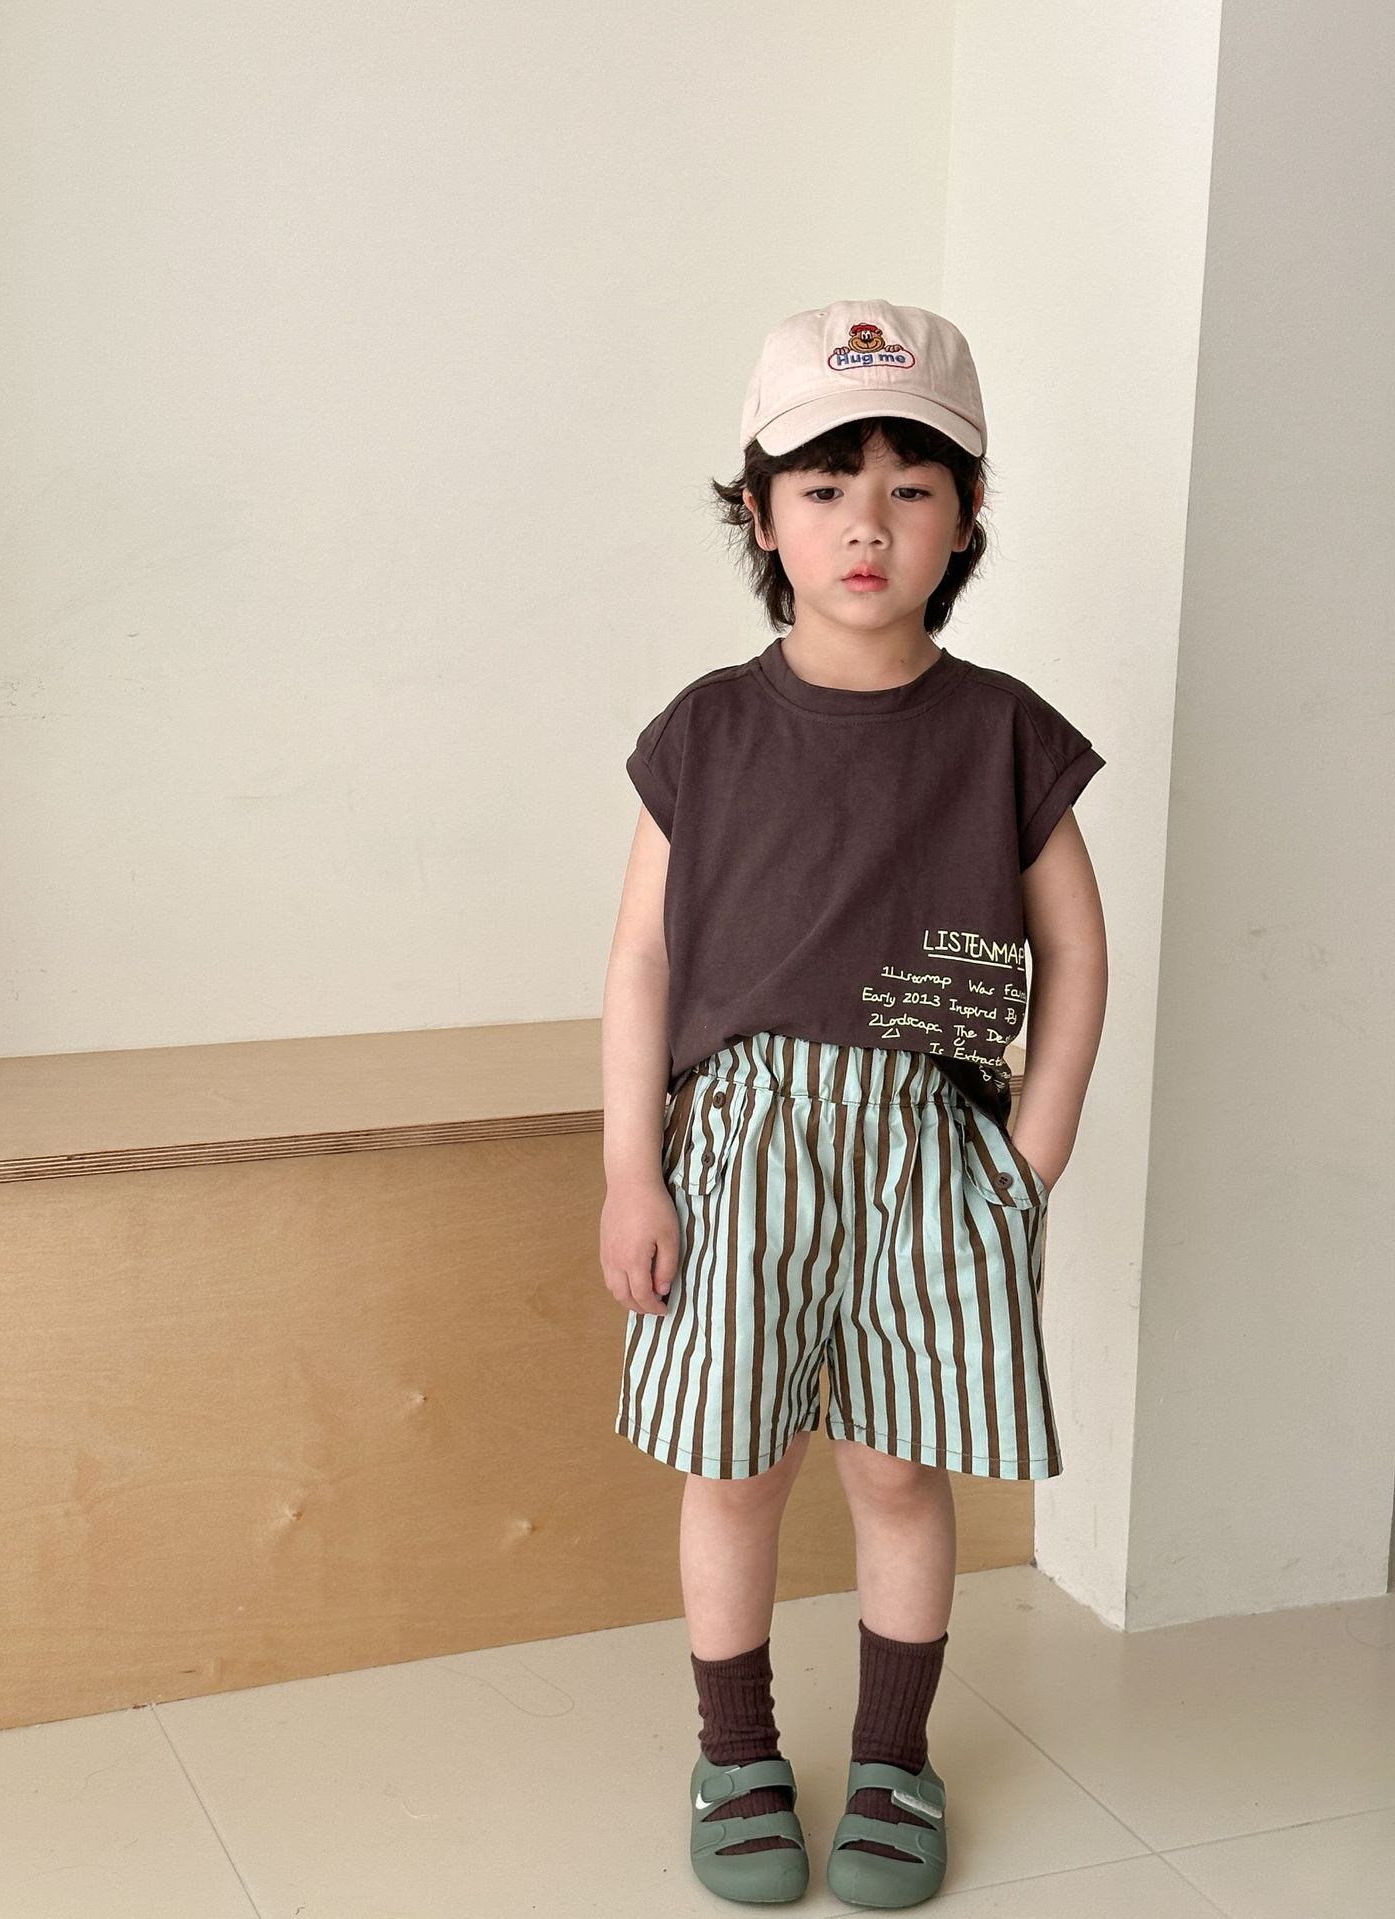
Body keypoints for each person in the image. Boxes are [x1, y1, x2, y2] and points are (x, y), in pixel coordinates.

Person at [599, 299, 1108, 1909]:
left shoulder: (1003, 733)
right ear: (761, 515)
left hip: (932, 1148)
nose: (867, 525)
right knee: (736, 1466)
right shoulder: (707, 731)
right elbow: (640, 963)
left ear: (968, 514)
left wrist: (1029, 1158)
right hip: (744, 1147)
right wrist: (633, 1170)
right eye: (824, 487)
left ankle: (895, 1760)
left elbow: (1078, 952)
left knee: (897, 1468)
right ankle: (736, 1753)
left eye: (910, 486)